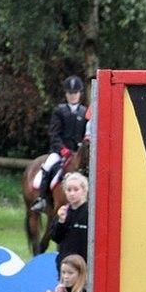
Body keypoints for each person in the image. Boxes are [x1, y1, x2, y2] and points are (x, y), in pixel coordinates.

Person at [30, 75, 88, 213]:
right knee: (48, 167)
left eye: (75, 93)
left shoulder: (84, 112)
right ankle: (42, 199)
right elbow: (54, 134)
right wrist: (61, 149)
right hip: (59, 151)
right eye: (70, 93)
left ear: (80, 94)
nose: (73, 96)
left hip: (78, 152)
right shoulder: (59, 111)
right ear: (66, 94)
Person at [49, 172, 88, 275]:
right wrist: (61, 221)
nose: (72, 193)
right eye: (69, 190)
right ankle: (43, 198)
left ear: (84, 191)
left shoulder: (90, 212)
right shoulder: (63, 211)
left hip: (83, 266)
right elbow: (55, 237)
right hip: (65, 266)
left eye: (76, 189)